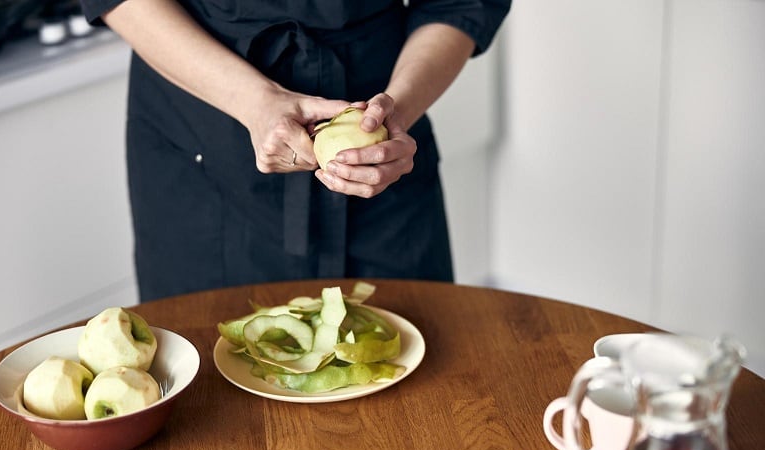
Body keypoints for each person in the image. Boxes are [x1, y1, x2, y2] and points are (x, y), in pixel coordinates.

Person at [79, 0, 511, 301]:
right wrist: (254, 101)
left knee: (415, 389)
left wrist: (398, 108)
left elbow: (458, 2)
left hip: (383, 129)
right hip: (205, 136)